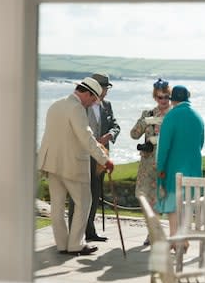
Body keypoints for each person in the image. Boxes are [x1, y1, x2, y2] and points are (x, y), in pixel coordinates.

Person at [38, 76, 115, 256]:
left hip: (51, 162)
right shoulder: (77, 108)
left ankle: (62, 245)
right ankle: (75, 244)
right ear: (86, 93)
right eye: (93, 99)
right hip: (72, 164)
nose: (92, 103)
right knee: (84, 203)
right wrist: (105, 159)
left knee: (56, 207)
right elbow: (86, 138)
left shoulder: (56, 105)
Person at [68, 73, 120, 242]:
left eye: (107, 88)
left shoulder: (107, 105)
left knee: (95, 192)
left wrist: (110, 135)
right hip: (82, 154)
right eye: (104, 88)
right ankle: (74, 233)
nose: (106, 91)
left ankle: (90, 231)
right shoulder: (82, 105)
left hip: (101, 156)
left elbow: (115, 125)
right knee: (78, 194)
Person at [155, 85, 204, 248]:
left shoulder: (171, 116)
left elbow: (164, 147)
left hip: (174, 169)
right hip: (194, 169)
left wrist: (160, 168)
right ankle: (182, 238)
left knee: (172, 206)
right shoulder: (198, 117)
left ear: (172, 99)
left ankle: (176, 239)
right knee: (186, 205)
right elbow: (201, 144)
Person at [130, 78, 171, 246]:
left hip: (166, 164)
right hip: (147, 165)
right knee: (145, 199)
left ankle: (156, 233)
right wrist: (144, 121)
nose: (164, 101)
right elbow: (134, 134)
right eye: (160, 97)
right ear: (155, 97)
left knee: (161, 200)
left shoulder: (174, 115)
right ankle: (152, 232)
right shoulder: (148, 114)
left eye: (166, 97)